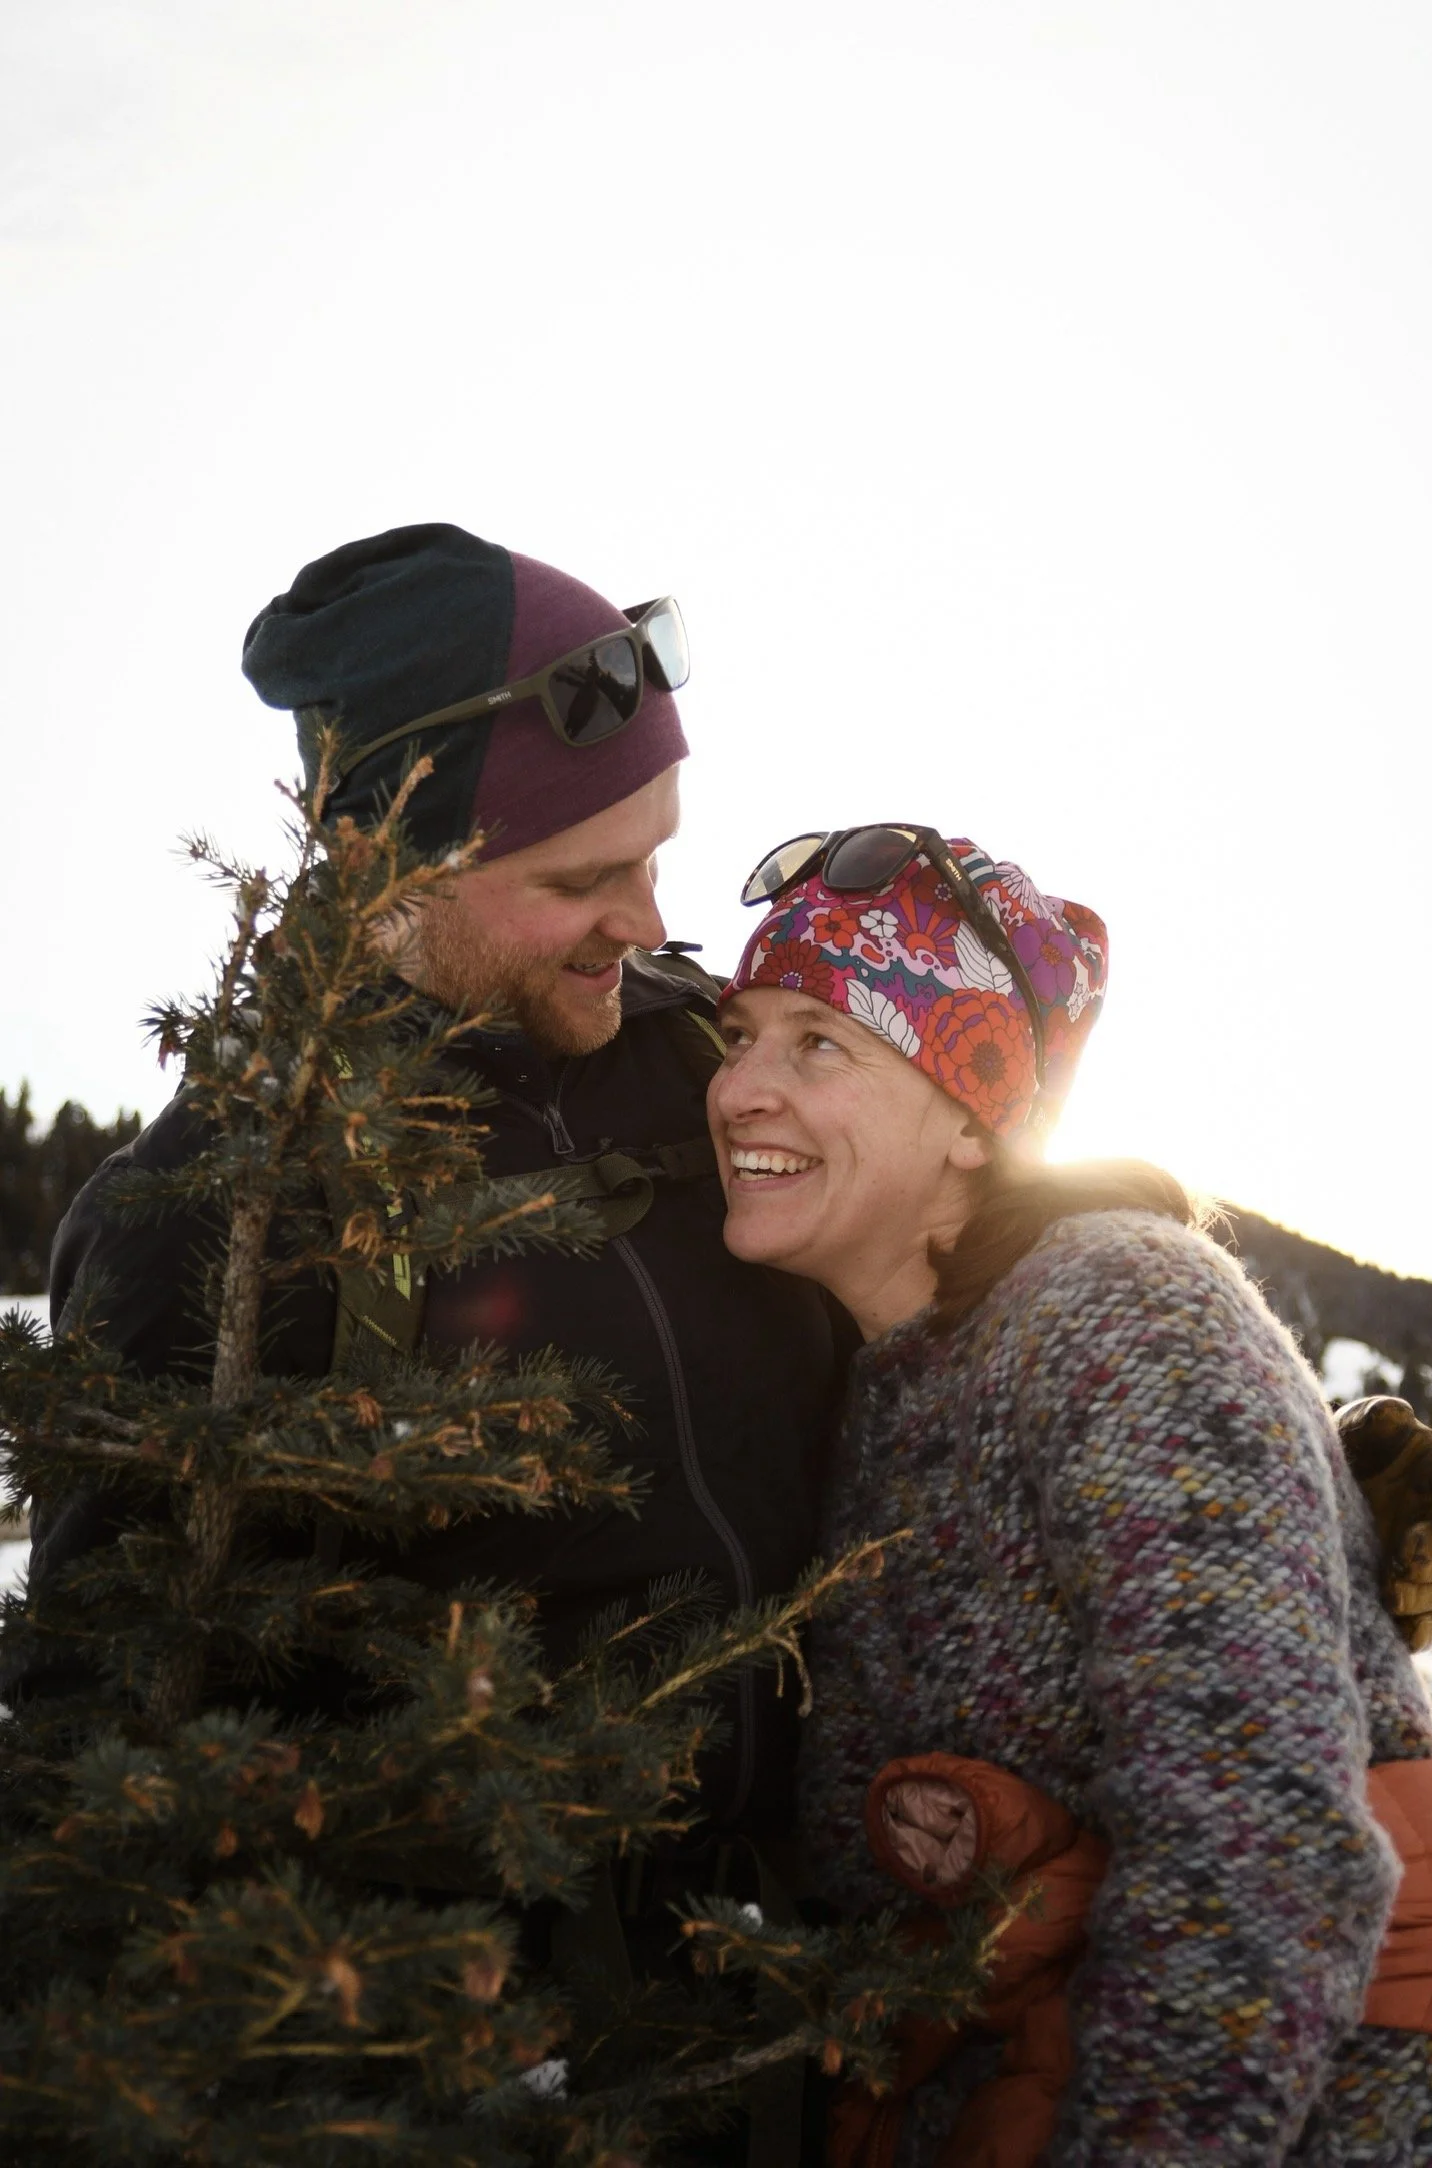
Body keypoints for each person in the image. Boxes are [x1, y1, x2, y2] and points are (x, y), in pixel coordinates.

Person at [23, 524, 849, 1863]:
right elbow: (105, 1762)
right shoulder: (218, 1209)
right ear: (388, 871)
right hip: (492, 1981)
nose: (647, 923)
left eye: (652, 858)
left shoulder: (723, 1063)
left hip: (825, 1944)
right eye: (580, 880)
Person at [706, 824, 1432, 2165]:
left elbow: (1259, 1838)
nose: (739, 1088)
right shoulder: (887, 1385)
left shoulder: (1115, 1304)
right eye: (738, 1037)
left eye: (819, 1044)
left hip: (1338, 2115)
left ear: (972, 1121)